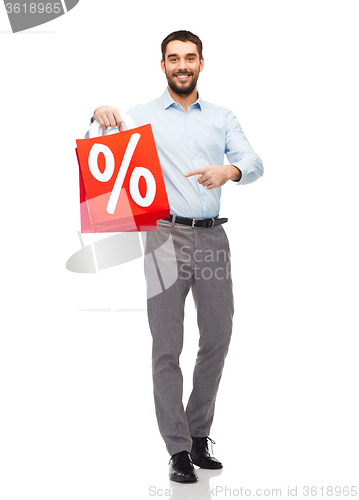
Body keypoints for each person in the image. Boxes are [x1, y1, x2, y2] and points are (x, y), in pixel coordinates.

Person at [89, 30, 263, 483]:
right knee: (167, 346)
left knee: (218, 338)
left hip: (212, 239)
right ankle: (178, 449)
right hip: (164, 237)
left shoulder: (222, 116)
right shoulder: (142, 115)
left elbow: (254, 160)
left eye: (190, 58)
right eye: (173, 58)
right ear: (162, 65)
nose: (181, 65)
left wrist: (233, 169)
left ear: (201, 63)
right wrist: (98, 114)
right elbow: (96, 148)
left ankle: (198, 433)